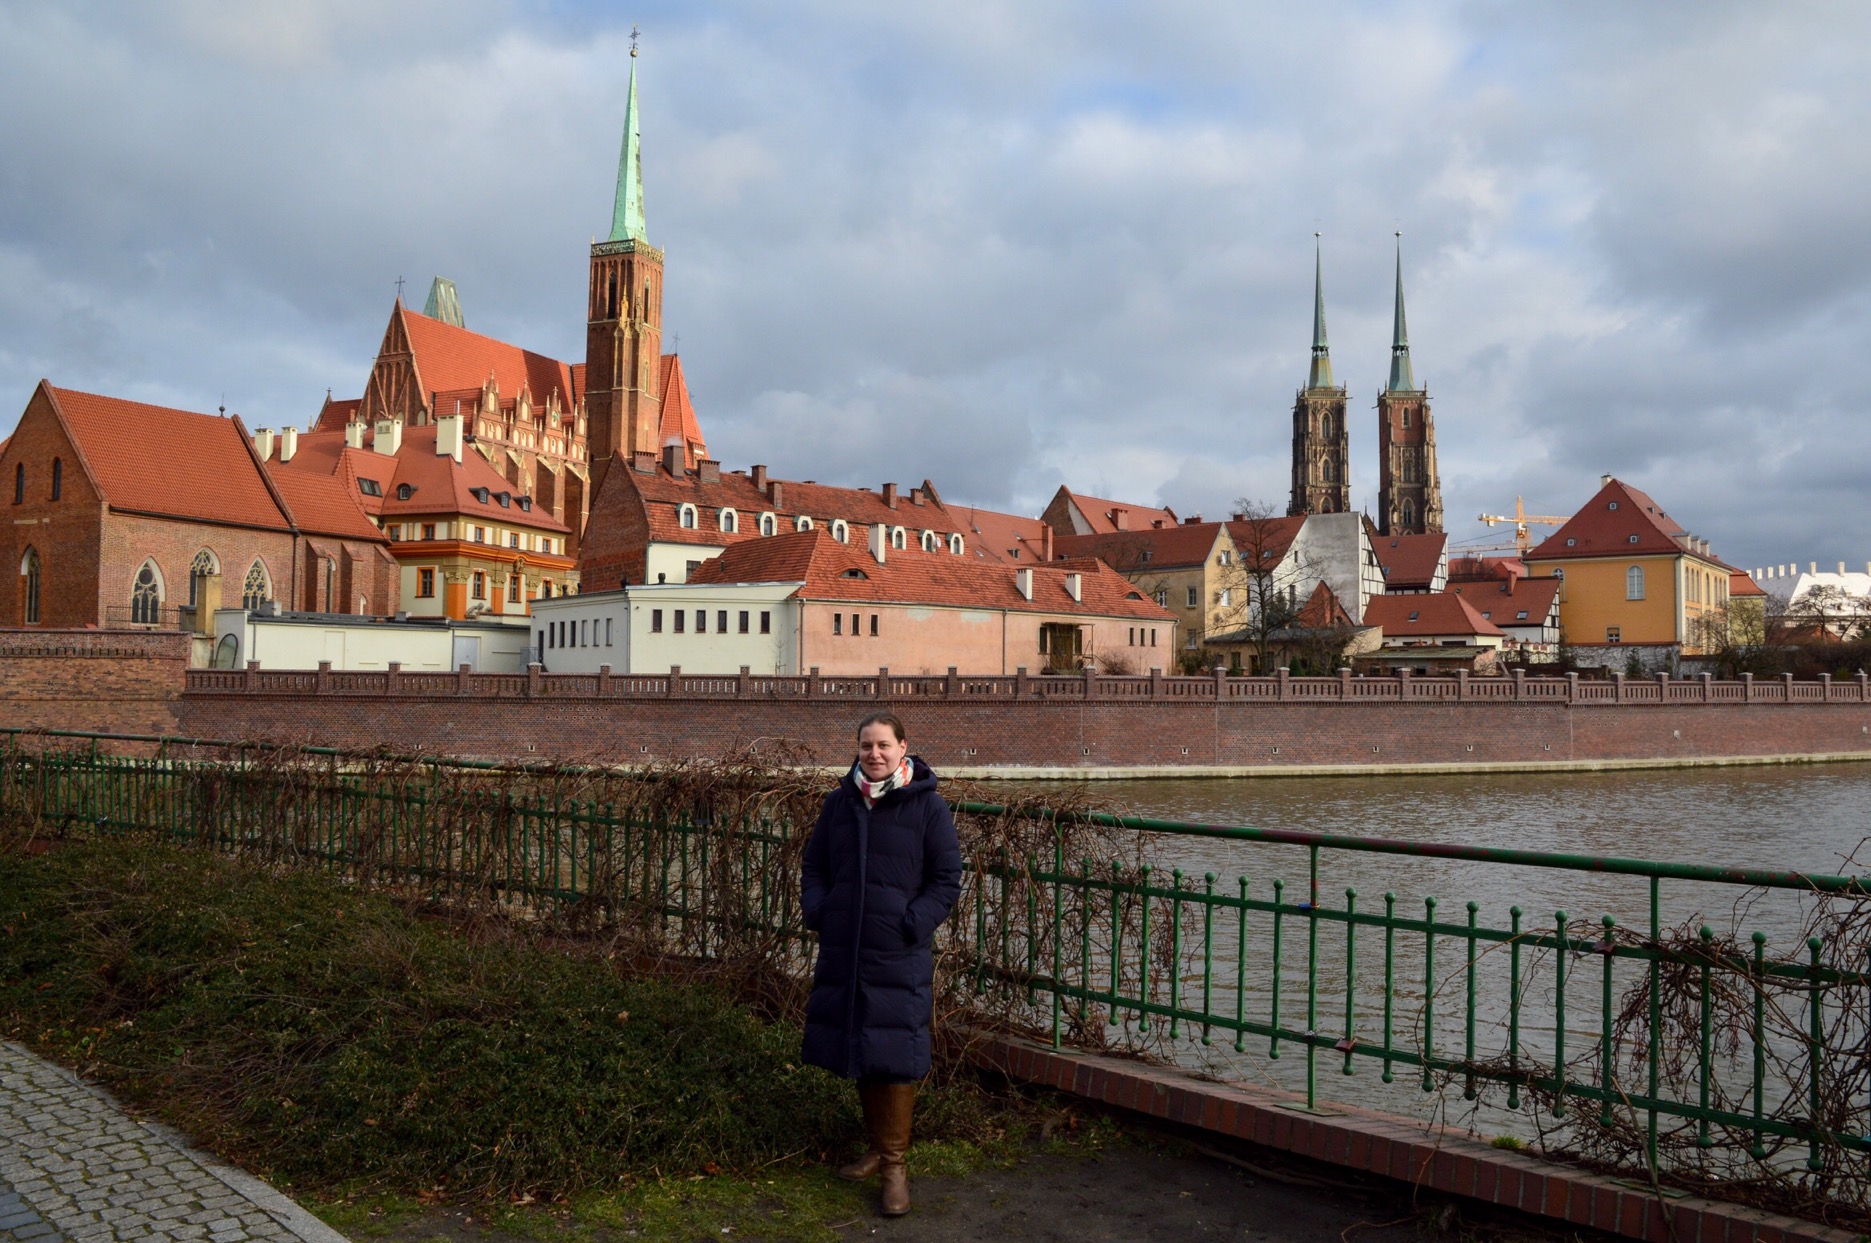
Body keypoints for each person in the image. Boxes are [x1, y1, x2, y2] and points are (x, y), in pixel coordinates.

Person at [799, 712, 963, 1217]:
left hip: (897, 950)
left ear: (903, 748)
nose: (874, 754)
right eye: (866, 745)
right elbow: (814, 865)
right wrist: (821, 911)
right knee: (862, 1042)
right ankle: (878, 1148)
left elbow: (946, 879)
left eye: (884, 745)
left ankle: (895, 1168)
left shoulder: (927, 807)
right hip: (846, 946)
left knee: (894, 1051)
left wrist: (911, 924)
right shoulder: (840, 804)